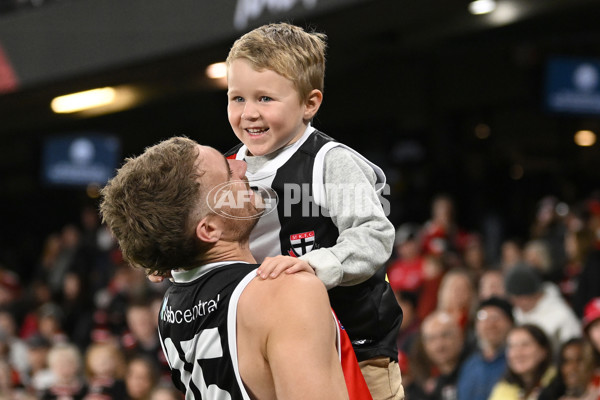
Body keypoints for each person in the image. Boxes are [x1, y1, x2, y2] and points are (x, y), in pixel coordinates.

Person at [100, 136, 371, 399]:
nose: (242, 166)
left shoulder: (170, 308)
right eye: (227, 175)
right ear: (209, 229)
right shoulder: (285, 291)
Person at [223, 22, 403, 399]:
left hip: (357, 345)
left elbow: (375, 234)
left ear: (310, 103)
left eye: (265, 99)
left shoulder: (330, 161)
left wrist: (319, 265)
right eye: (237, 98)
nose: (249, 113)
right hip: (273, 350)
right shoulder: (225, 168)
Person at [504, 263, 581, 353]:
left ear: (535, 294)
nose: (517, 304)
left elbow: (574, 350)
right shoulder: (517, 312)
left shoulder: (561, 315)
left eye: (520, 299)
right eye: (513, 299)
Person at [456, 297, 514, 400]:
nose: (490, 324)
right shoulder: (469, 364)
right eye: (483, 318)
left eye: (496, 318)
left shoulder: (518, 360)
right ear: (476, 326)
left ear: (510, 323)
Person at [409, 310, 467, 400]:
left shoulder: (474, 371)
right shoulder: (430, 387)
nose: (439, 345)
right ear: (424, 346)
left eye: (445, 335)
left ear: (460, 336)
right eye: (431, 339)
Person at [488, 324, 556, 400]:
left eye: (525, 345)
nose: (518, 353)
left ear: (543, 351)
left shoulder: (558, 383)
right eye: (512, 346)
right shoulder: (502, 388)